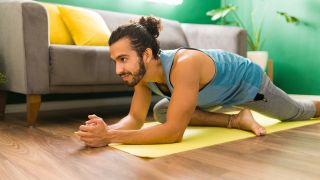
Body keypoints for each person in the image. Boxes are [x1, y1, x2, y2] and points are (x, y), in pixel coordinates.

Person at [75, 16, 320, 147]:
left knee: (298, 111)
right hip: (215, 95)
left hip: (249, 86)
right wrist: (104, 129)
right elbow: (136, 119)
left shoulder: (184, 65)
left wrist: (110, 137)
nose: (119, 69)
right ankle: (237, 119)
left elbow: (174, 133)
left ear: (146, 55)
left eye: (123, 59)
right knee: (162, 111)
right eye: (115, 61)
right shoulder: (142, 75)